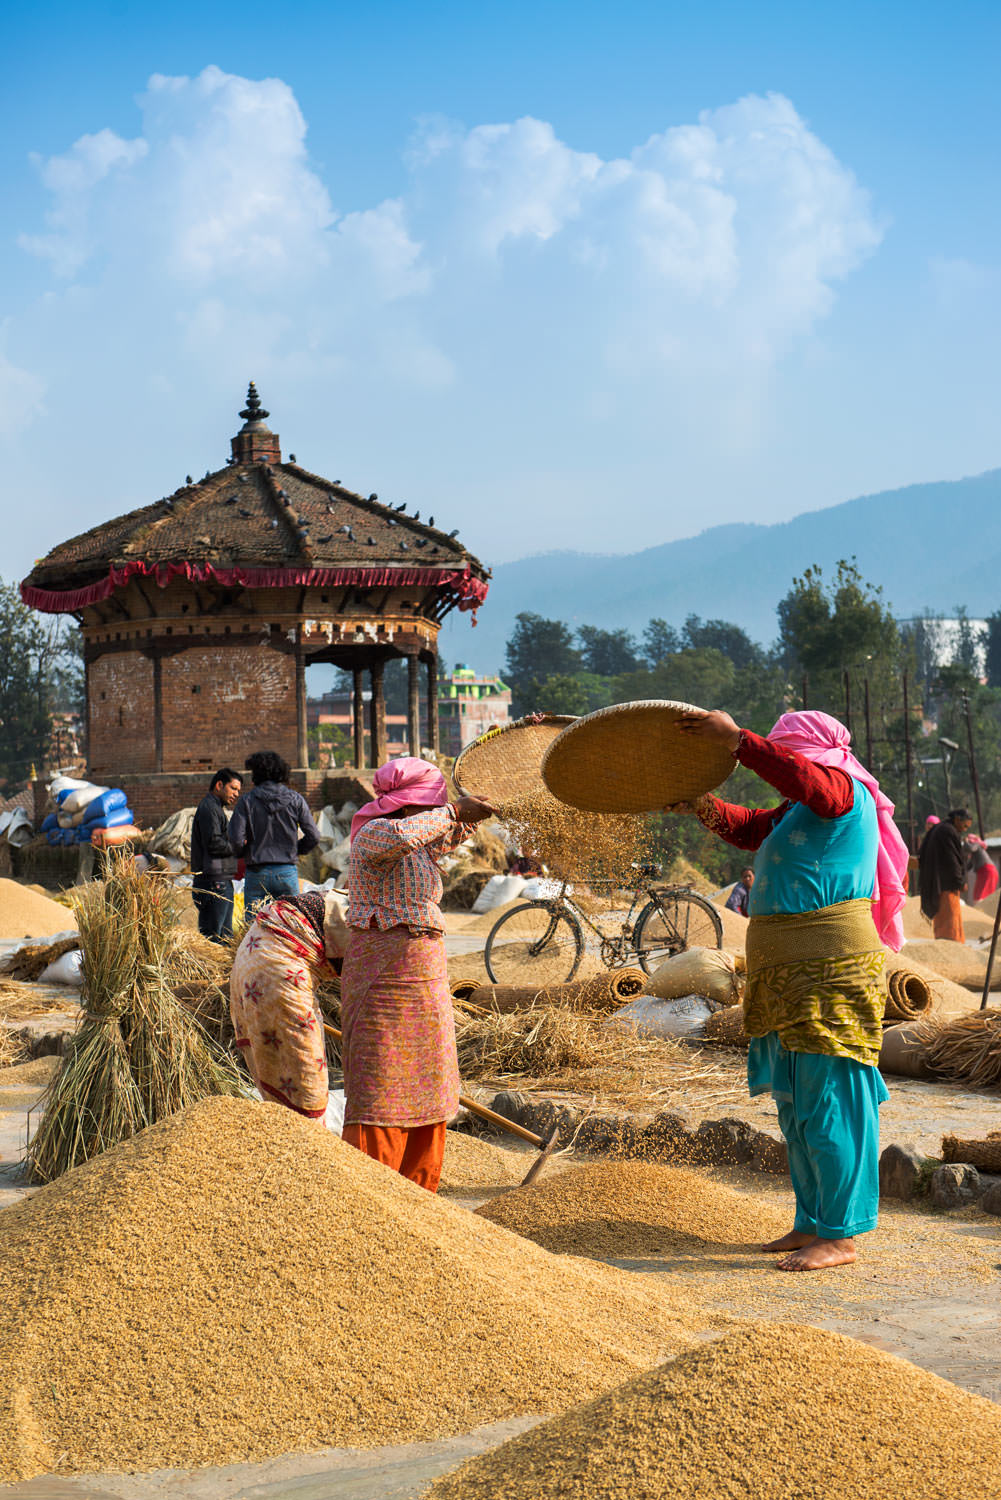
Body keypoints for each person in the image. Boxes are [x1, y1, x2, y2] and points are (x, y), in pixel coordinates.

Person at [672, 708, 908, 1272]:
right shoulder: (801, 806)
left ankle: (842, 1234)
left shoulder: (838, 788)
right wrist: (699, 804)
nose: (792, 767)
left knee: (832, 1099)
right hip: (786, 972)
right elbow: (753, 827)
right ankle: (811, 1221)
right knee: (796, 1103)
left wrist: (738, 742)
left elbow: (805, 779)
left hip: (830, 969)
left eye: (791, 755)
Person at [340, 756, 496, 1191]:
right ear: (409, 803)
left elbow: (451, 829)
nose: (436, 809)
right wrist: (452, 811)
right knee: (383, 1075)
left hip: (422, 976)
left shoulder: (423, 842)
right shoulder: (374, 834)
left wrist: (490, 798)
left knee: (430, 1074)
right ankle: (371, 1187)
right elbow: (407, 834)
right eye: (431, 803)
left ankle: (418, 1188)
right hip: (384, 978)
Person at [229, 889, 345, 1120]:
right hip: (276, 968)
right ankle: (307, 1147)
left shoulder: (365, 902)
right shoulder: (381, 929)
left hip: (254, 954)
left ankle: (289, 1137)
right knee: (305, 1080)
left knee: (286, 1087)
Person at [228, 750, 322, 912]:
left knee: (255, 929)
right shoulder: (296, 800)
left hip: (256, 872)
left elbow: (235, 839)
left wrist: (244, 852)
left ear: (256, 774)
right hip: (286, 870)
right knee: (290, 926)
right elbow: (313, 836)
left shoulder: (247, 801)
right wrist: (295, 850)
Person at [190, 768, 243, 941]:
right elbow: (213, 843)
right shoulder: (209, 809)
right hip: (213, 882)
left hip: (220, 880)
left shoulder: (215, 808)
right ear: (219, 785)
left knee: (225, 938)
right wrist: (237, 845)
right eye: (233, 788)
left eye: (238, 791)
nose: (236, 794)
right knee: (213, 939)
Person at [918, 808, 972, 941]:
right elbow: (951, 860)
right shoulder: (947, 831)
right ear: (957, 819)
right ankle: (949, 944)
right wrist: (960, 881)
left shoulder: (940, 828)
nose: (965, 829)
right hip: (947, 884)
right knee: (949, 922)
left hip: (938, 883)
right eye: (965, 825)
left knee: (944, 919)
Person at [965, 834, 999, 905]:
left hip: (987, 871)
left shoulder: (977, 845)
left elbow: (970, 848)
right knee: (979, 894)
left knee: (980, 894)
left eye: (970, 842)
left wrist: (966, 841)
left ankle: (980, 911)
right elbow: (967, 867)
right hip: (985, 872)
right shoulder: (974, 854)